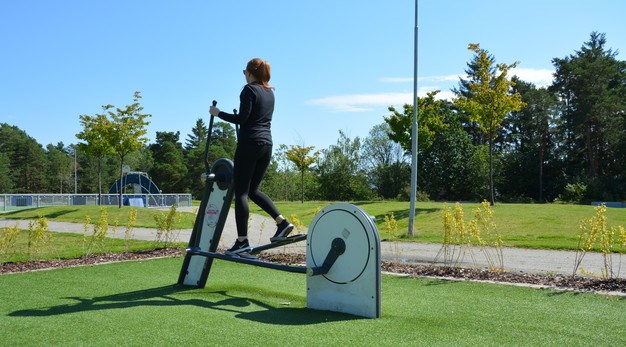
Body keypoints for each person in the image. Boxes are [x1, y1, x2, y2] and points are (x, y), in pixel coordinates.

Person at [209, 58, 294, 259]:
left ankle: (242, 242)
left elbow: (242, 119)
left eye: (244, 73)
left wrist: (218, 113)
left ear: (249, 73)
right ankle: (282, 223)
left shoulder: (249, 90)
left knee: (241, 193)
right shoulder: (270, 93)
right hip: (267, 145)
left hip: (249, 145)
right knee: (253, 190)